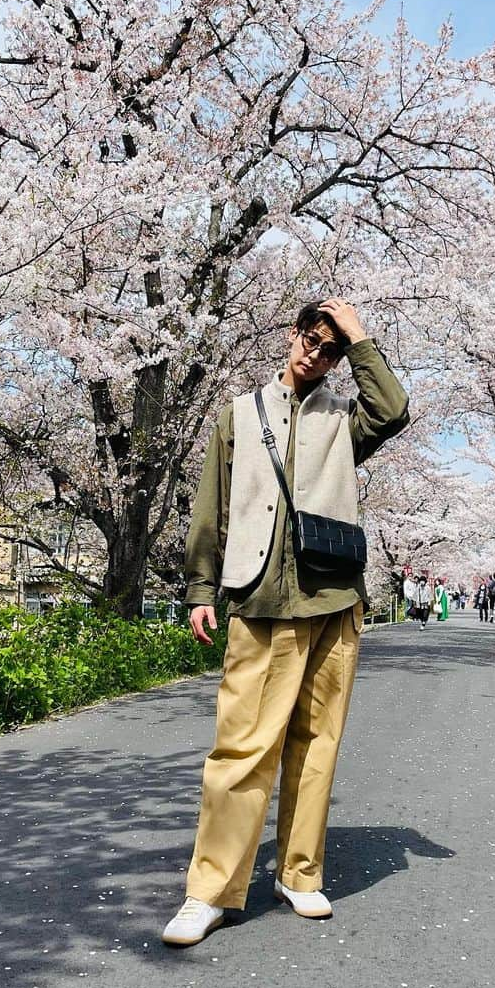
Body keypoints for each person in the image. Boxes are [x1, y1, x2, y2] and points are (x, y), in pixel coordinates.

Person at [164, 297, 409, 946]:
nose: (315, 352)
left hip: (333, 600)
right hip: (261, 601)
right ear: (291, 333)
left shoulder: (344, 421)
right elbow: (210, 508)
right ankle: (210, 890)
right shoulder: (238, 417)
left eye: (330, 348)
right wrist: (199, 587)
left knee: (316, 745)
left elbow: (394, 407)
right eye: (311, 337)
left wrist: (359, 336)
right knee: (243, 748)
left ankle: (299, 873)